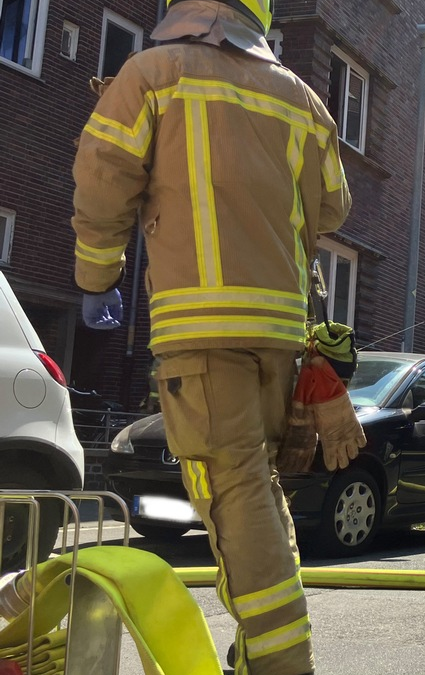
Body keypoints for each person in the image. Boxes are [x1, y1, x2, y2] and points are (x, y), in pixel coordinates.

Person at [71, 2, 353, 673]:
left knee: (235, 492)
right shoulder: (306, 101)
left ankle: (283, 664)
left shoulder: (152, 73)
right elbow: (335, 204)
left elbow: (104, 180)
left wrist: (96, 276)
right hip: (281, 334)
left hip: (200, 330)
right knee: (256, 485)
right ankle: (256, 652)